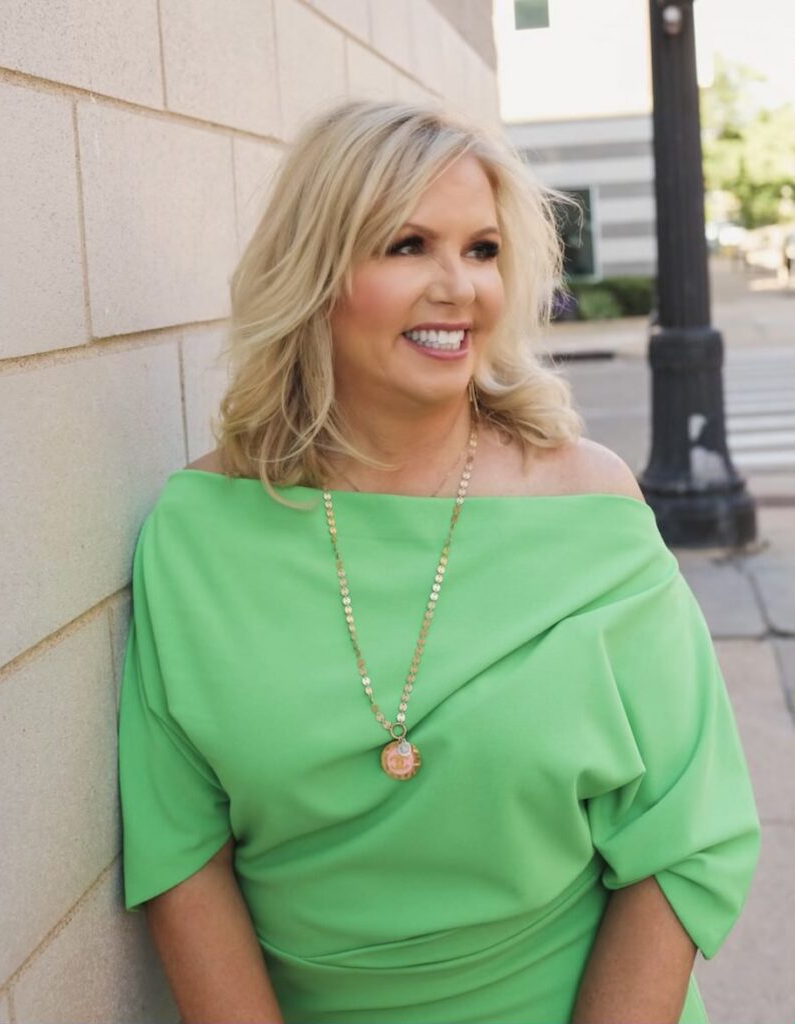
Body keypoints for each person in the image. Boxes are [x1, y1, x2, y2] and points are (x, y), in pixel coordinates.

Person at [117, 98, 761, 1024]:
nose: (459, 287)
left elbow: (683, 830)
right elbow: (182, 856)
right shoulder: (196, 533)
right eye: (407, 245)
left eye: (483, 250)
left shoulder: (593, 510)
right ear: (316, 270)